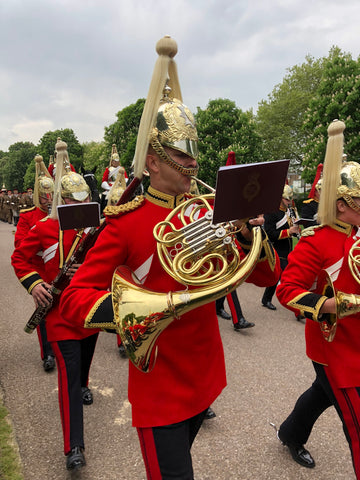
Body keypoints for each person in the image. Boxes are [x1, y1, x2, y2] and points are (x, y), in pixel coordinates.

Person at [59, 36, 281, 479]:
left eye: (194, 153)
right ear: (154, 162)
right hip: (159, 380)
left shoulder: (205, 208)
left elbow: (265, 275)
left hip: (205, 371)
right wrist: (132, 312)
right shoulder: (125, 221)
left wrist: (245, 228)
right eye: (181, 155)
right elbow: (74, 298)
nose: (193, 164)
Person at [276, 119, 360, 479]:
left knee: (321, 395)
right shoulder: (316, 240)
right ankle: (292, 434)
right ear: (341, 205)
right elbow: (288, 290)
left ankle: (289, 433)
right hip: (334, 345)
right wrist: (338, 305)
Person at [11, 140, 99, 471]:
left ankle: (86, 385)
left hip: (90, 309)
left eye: (85, 200)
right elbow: (20, 257)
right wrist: (35, 285)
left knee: (84, 365)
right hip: (60, 314)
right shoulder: (45, 227)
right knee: (68, 374)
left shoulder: (95, 230)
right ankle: (73, 446)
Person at [15, 155, 56, 371]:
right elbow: (20, 244)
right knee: (44, 312)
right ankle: (48, 354)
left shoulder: (60, 214)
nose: (48, 198)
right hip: (39, 270)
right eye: (45, 195)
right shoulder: (28, 216)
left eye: (51, 194)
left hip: (59, 269)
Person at [261, 184, 300, 310]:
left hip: (288, 248)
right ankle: (292, 303)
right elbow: (270, 234)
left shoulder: (289, 211)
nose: (289, 202)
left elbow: (292, 227)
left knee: (279, 275)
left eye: (289, 199)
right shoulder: (271, 212)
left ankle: (266, 299)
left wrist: (297, 230)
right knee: (283, 276)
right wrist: (289, 231)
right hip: (276, 248)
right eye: (286, 199)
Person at [101, 144, 128, 211]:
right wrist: (108, 187)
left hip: (121, 185)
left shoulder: (122, 168)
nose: (116, 162)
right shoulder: (108, 169)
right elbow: (104, 180)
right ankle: (103, 211)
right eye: (115, 161)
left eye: (117, 161)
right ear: (112, 161)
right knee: (105, 196)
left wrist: (123, 183)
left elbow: (126, 178)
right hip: (111, 186)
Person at [300, 163, 323, 227]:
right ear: (315, 191)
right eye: (321, 190)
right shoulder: (308, 205)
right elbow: (307, 224)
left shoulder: (329, 203)